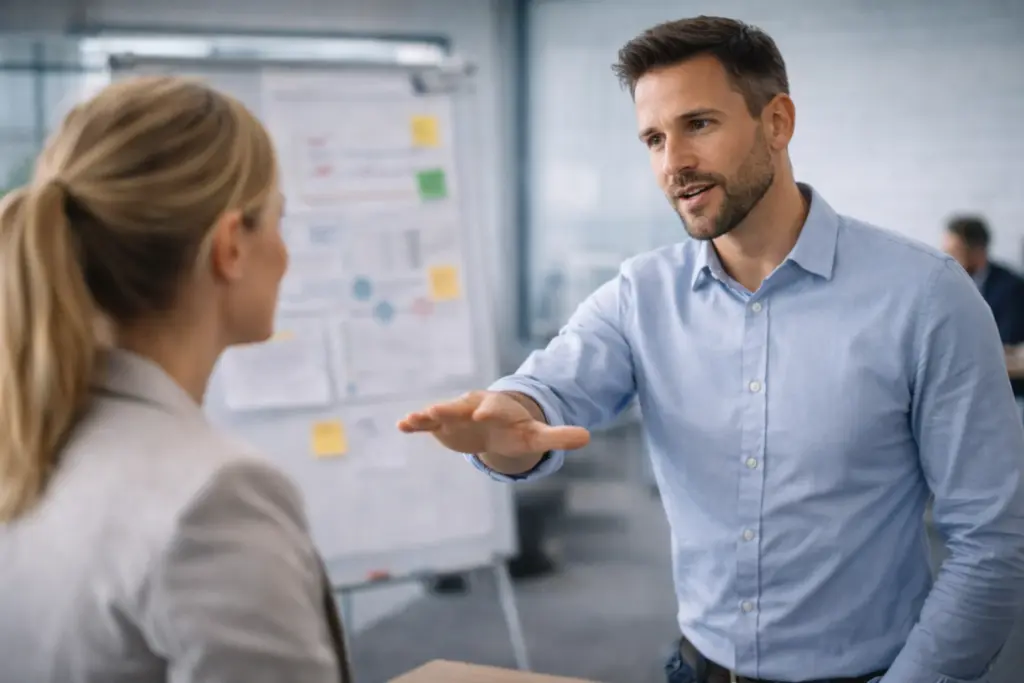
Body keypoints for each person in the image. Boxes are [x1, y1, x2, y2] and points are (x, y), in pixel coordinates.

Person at [399, 15, 1024, 683]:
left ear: (777, 122)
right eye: (653, 138)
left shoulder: (927, 296)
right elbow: (540, 394)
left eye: (699, 124)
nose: (674, 163)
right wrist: (504, 427)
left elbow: (993, 540)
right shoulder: (642, 293)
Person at [0, 76, 351, 683]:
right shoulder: (215, 497)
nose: (286, 253)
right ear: (229, 247)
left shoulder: (30, 437)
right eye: (276, 220)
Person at [942, 215, 1024, 397]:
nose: (947, 258)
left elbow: (1004, 345)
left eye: (955, 251)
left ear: (978, 251)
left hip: (1004, 391)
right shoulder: (948, 285)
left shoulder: (1011, 288)